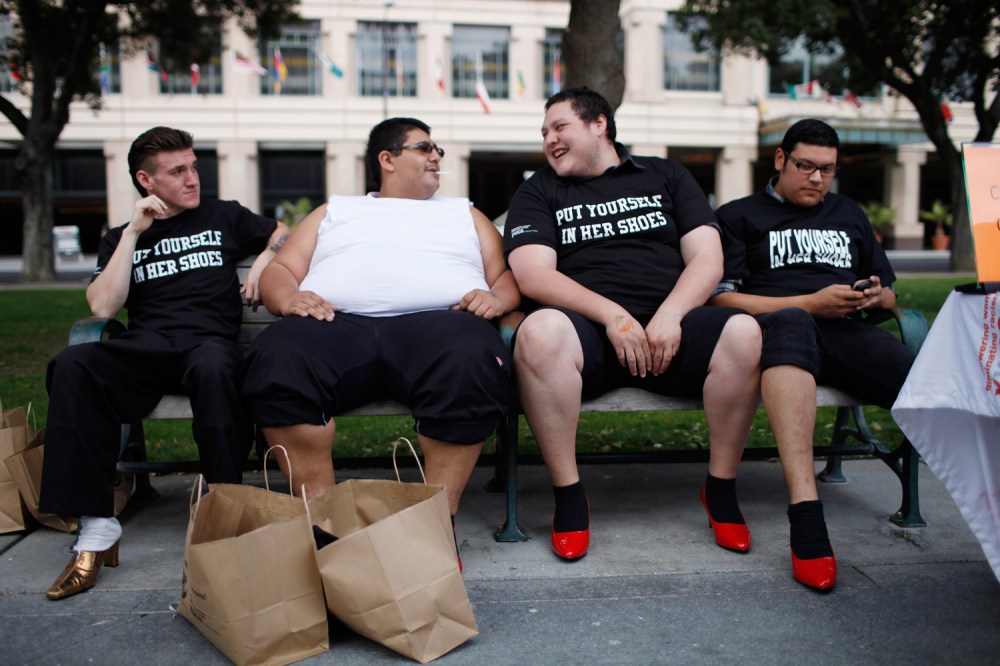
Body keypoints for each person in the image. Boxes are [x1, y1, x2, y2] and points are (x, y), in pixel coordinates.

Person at [504, 87, 762, 563]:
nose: (549, 140)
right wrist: (613, 315)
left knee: (743, 331)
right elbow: (532, 273)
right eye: (543, 133)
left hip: (672, 336)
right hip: (589, 342)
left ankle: (721, 490)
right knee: (538, 333)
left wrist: (671, 314)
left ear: (599, 124)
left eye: (559, 127)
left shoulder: (664, 173)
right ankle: (569, 496)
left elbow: (708, 257)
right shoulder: (539, 189)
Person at [40, 126, 289, 600]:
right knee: (74, 364)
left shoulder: (223, 216)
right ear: (146, 180)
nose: (194, 179)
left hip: (208, 344)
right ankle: (95, 528)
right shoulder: (122, 237)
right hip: (149, 349)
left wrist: (259, 264)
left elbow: (282, 234)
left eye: (194, 167)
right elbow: (102, 309)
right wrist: (135, 232)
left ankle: (224, 507)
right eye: (178, 172)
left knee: (216, 366)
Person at [241, 117, 519, 534]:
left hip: (440, 325)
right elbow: (281, 270)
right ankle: (323, 527)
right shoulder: (337, 210)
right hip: (334, 324)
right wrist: (289, 298)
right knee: (279, 359)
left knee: (470, 359)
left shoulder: (465, 213)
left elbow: (505, 277)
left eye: (437, 148)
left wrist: (497, 298)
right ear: (387, 159)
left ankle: (437, 525)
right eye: (424, 147)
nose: (436, 155)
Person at [710, 118, 916, 590]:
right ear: (780, 160)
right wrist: (807, 303)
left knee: (927, 386)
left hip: (843, 331)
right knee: (794, 321)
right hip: (775, 331)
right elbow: (720, 300)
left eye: (828, 169)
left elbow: (890, 296)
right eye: (806, 166)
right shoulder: (739, 216)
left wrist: (871, 296)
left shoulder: (849, 213)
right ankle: (806, 514)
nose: (817, 179)